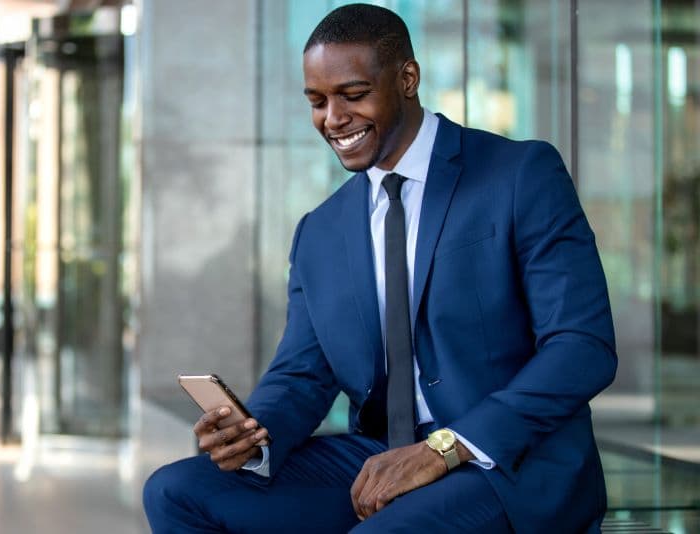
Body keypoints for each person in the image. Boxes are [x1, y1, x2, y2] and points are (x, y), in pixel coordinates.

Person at [143, 4, 617, 533]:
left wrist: (444, 449)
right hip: (378, 461)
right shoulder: (320, 230)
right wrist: (252, 436)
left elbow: (582, 347)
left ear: (407, 79)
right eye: (317, 101)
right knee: (175, 492)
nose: (333, 118)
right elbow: (302, 376)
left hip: (505, 465)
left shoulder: (519, 174)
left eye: (353, 94)